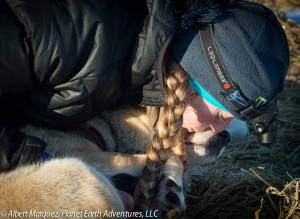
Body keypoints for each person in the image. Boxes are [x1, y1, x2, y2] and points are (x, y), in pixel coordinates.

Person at [0, 0, 289, 202]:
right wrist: (35, 159)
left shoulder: (147, 60)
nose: (216, 129)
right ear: (192, 80)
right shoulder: (75, 32)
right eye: (220, 116)